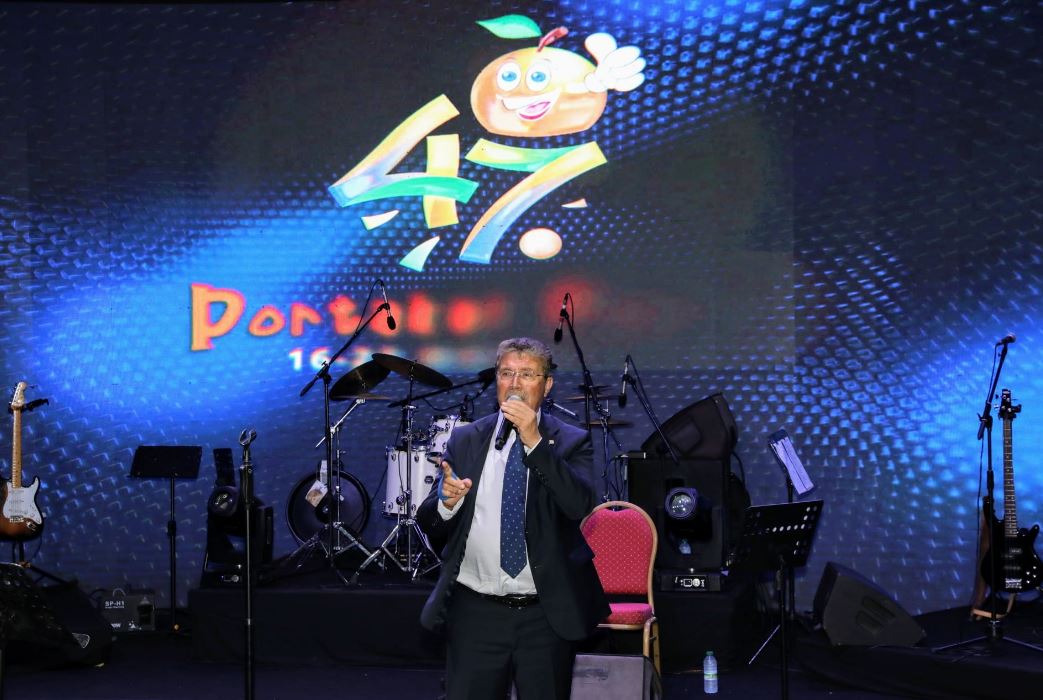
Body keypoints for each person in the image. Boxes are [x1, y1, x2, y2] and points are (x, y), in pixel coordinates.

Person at [417, 337, 609, 699]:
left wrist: (534, 440)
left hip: (545, 614)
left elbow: (578, 505)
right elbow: (430, 521)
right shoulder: (466, 438)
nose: (515, 383)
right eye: (506, 373)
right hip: (475, 611)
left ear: (547, 385)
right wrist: (445, 502)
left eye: (527, 374)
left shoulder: (571, 441)